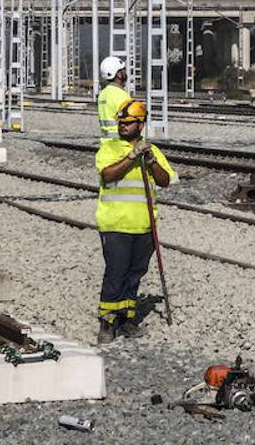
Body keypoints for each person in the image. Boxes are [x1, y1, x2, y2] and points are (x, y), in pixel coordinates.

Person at [94, 99, 175, 344]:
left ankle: (127, 319)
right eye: (121, 123)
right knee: (116, 274)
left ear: (141, 125)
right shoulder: (108, 148)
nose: (123, 127)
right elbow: (108, 174)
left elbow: (164, 181)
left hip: (144, 226)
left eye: (129, 123)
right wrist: (132, 156)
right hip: (115, 224)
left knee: (134, 275)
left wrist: (150, 160)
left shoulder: (153, 151)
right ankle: (107, 322)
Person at [96, 56, 131, 149]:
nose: (126, 72)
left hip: (105, 144)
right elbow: (130, 123)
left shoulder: (103, 94)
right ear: (118, 74)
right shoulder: (122, 95)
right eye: (123, 70)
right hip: (121, 145)